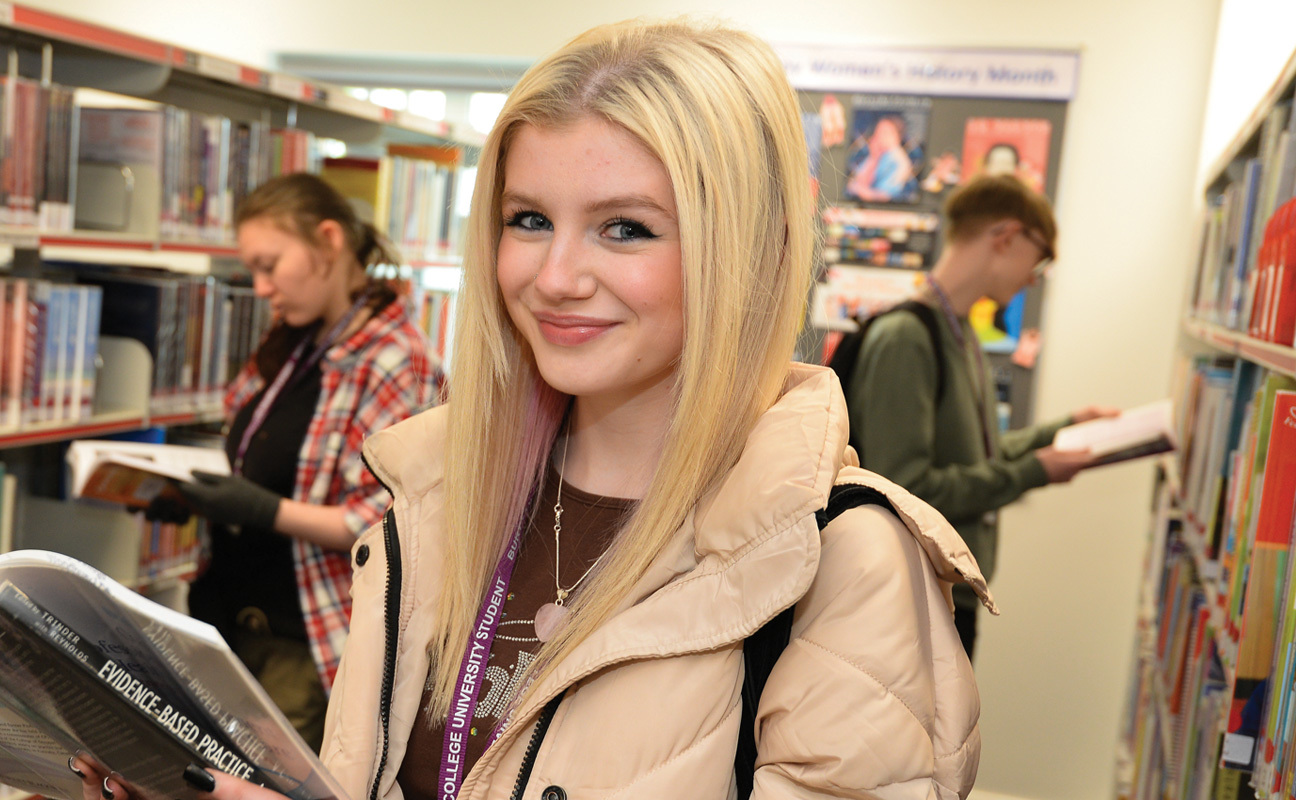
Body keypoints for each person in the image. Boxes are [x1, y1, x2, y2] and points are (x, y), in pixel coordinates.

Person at [81, 18, 990, 800]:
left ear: (750, 247)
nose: (553, 278)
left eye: (625, 227)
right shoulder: (435, 505)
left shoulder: (845, 560)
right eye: (528, 220)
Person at [148, 173, 444, 751]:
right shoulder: (294, 345)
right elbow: (256, 455)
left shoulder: (395, 362)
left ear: (328, 240)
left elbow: (383, 524)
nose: (259, 288)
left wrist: (262, 510)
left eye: (270, 264)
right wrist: (194, 495)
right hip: (226, 626)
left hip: (302, 646)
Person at [845, 173, 1115, 661]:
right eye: (1041, 257)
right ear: (1007, 237)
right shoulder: (907, 338)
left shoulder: (963, 334)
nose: (1035, 275)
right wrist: (1036, 472)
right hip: (914, 604)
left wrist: (1065, 430)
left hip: (951, 595)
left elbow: (978, 455)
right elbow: (907, 490)